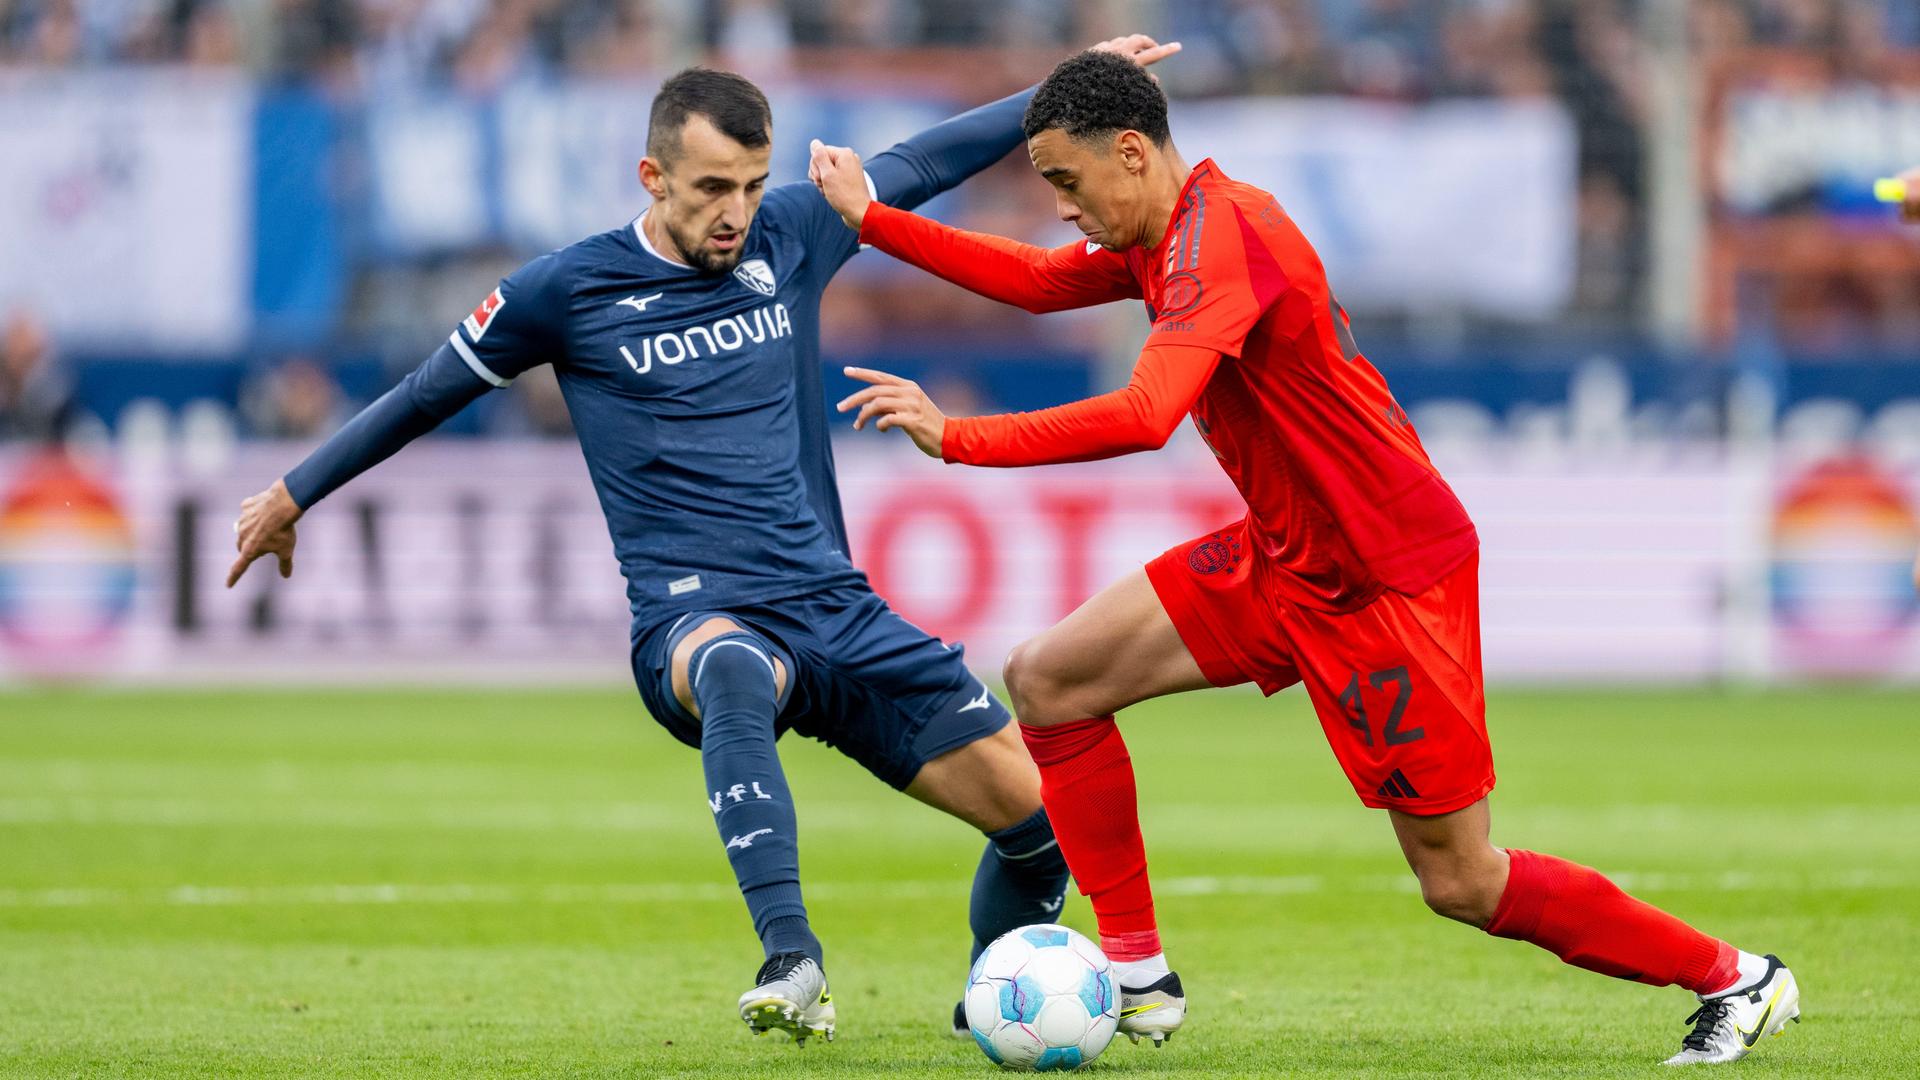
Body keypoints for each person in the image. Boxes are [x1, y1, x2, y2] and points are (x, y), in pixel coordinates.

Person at [809, 48, 1799, 1065]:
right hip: (1288, 559)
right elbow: (1033, 281)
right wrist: (872, 221)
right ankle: (1140, 977)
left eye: (1066, 180)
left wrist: (961, 436)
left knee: (1463, 880)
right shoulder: (1164, 232)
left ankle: (1740, 977)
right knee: (1049, 678)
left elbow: (1150, 416)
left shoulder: (1222, 241)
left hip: (1385, 581)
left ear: (1134, 154)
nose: (1061, 205)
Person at [226, 37, 1180, 1044]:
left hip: (837, 611)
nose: (737, 210)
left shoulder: (792, 235)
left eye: (754, 183)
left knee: (1043, 830)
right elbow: (426, 393)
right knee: (731, 664)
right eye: (714, 186)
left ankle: (996, 1002)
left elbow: (924, 160)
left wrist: (1062, 88)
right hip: (697, 616)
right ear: (654, 176)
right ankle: (791, 956)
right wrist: (295, 490)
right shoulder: (566, 292)